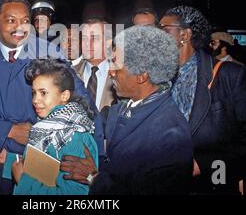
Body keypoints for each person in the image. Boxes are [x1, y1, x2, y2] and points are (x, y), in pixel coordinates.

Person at [0, 0, 101, 194]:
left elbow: (84, 105)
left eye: (24, 21)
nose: (19, 27)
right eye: (11, 20)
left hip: (42, 167)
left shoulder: (49, 53)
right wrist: (9, 130)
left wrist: (95, 160)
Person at [61, 26, 193, 194]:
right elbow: (90, 120)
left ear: (141, 76)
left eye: (116, 64)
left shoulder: (172, 136)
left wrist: (93, 177)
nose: (110, 71)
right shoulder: (122, 108)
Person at [158, 5, 246, 194]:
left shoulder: (230, 75)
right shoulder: (158, 79)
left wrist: (204, 164)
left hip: (212, 183)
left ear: (184, 36)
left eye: (163, 30)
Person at [0, 59, 98, 194]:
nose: (35, 100)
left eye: (43, 93)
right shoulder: (50, 127)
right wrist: (10, 160)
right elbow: (50, 169)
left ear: (64, 95)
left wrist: (23, 180)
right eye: (34, 93)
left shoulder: (71, 135)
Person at [73, 19, 116, 113]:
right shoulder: (70, 73)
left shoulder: (120, 74)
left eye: (94, 38)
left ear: (108, 42)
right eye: (84, 38)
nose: (87, 43)